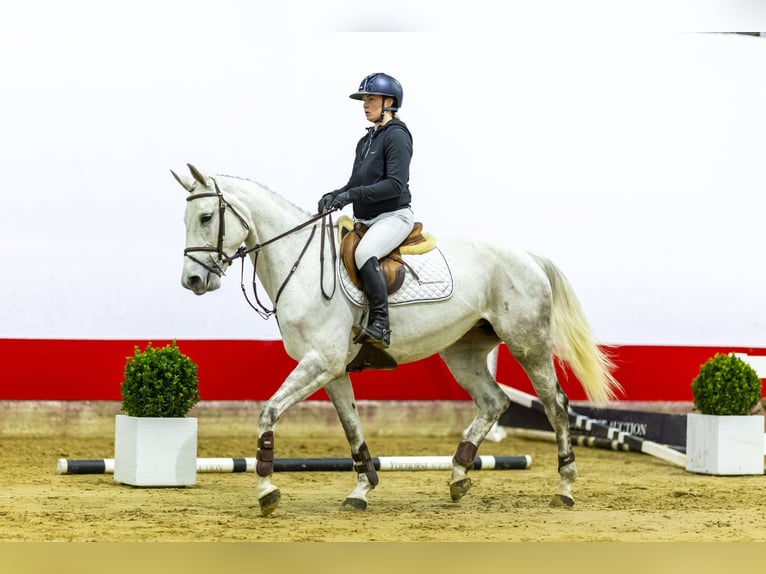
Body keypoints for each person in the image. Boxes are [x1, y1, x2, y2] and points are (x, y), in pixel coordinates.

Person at [317, 72, 415, 349]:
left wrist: (351, 195)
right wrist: (336, 195)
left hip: (393, 216)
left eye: (371, 98)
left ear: (389, 102)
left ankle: (381, 324)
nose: (365, 104)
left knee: (364, 252)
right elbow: (355, 183)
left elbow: (394, 185)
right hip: (366, 219)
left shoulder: (397, 136)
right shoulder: (366, 140)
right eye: (364, 99)